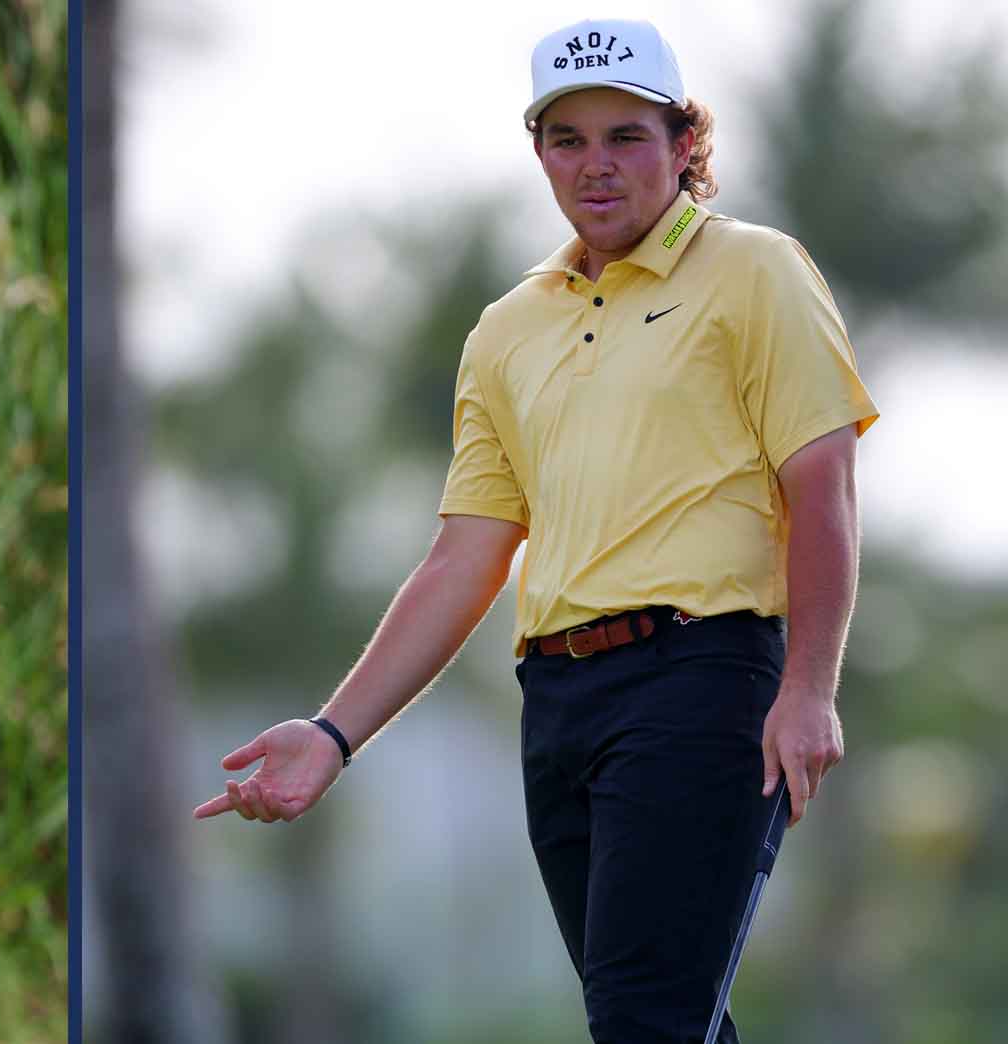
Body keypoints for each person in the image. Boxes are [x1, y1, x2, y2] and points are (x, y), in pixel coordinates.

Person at [194, 17, 877, 1044]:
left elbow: (819, 483)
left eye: (623, 136)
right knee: (661, 1017)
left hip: (701, 682)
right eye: (566, 139)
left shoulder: (754, 271)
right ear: (538, 150)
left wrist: (808, 687)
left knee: (643, 1020)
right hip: (556, 705)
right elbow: (465, 554)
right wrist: (334, 735)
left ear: (682, 143)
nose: (593, 165)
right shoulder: (508, 329)